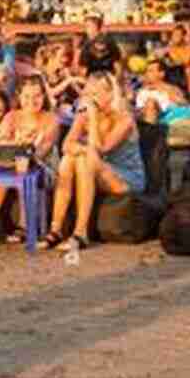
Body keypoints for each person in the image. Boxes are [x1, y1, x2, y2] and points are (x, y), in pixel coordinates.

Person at [40, 71, 145, 253]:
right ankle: (55, 229)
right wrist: (81, 146)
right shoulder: (84, 114)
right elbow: (66, 145)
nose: (91, 99)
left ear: (111, 94)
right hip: (97, 168)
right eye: (89, 94)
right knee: (68, 160)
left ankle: (81, 233)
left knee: (85, 159)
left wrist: (94, 119)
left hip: (127, 178)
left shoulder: (124, 119)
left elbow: (101, 149)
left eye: (96, 94)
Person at [0, 77, 61, 244]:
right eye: (27, 96)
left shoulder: (51, 119)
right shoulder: (12, 116)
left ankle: (24, 224)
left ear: (44, 97)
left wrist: (24, 148)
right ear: (19, 97)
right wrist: (15, 145)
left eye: (37, 96)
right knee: (3, 170)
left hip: (42, 167)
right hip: (11, 163)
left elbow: (42, 151)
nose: (32, 101)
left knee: (22, 169)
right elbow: (1, 142)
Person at [162, 24, 190, 99]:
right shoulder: (169, 48)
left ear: (183, 36)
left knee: (188, 70)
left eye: (178, 35)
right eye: (174, 35)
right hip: (171, 73)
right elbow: (163, 57)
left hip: (186, 75)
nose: (175, 37)